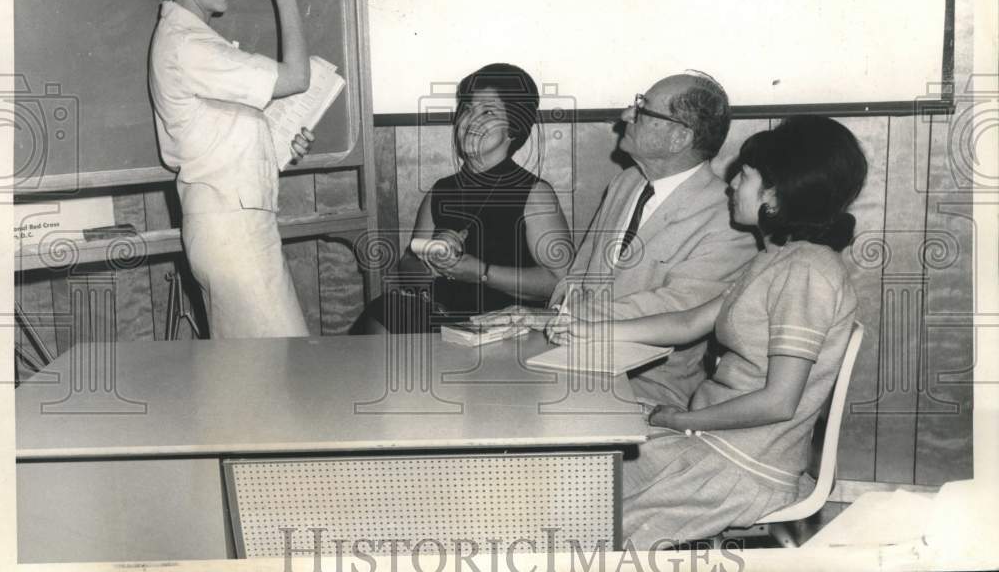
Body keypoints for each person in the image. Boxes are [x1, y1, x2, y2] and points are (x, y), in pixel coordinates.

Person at [553, 115, 868, 546]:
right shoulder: (775, 259)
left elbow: (778, 402)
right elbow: (689, 322)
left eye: (746, 175)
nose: (732, 183)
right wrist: (595, 331)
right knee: (575, 471)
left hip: (740, 464)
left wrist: (681, 421)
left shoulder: (807, 272)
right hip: (713, 441)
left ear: (775, 195)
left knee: (583, 513)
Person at [145, 0, 315, 339]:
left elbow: (214, 138)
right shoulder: (190, 45)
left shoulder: (196, 41)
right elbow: (297, 77)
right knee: (279, 374)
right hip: (232, 235)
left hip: (233, 226)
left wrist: (276, 145)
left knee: (252, 381)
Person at [550, 72, 757, 409]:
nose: (625, 116)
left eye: (642, 109)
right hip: (570, 358)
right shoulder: (626, 183)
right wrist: (543, 316)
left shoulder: (728, 217)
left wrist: (572, 317)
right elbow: (577, 274)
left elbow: (678, 309)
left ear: (678, 137)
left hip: (649, 388)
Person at [361, 63, 574, 332]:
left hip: (507, 325)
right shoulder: (441, 190)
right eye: (467, 109)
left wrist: (482, 272)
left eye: (487, 112)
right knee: (381, 313)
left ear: (513, 127)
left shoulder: (535, 193)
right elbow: (408, 265)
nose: (471, 120)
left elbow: (560, 282)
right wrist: (432, 260)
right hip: (443, 319)